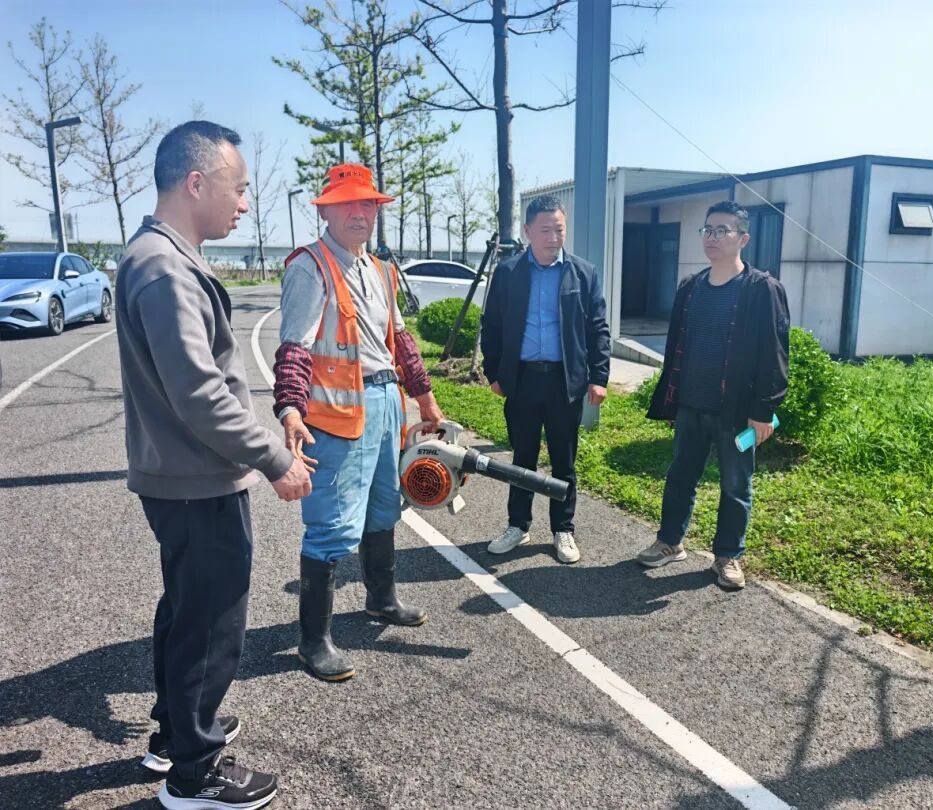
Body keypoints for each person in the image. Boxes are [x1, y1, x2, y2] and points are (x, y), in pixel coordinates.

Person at [116, 120, 309, 810]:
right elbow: (199, 393)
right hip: (195, 477)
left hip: (182, 473)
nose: (245, 203)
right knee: (210, 621)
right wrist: (275, 458)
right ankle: (194, 773)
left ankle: (177, 733)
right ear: (197, 183)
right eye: (240, 187)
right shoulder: (165, 268)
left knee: (187, 608)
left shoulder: (158, 256)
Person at [273, 163, 443, 682]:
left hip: (386, 403)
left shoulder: (381, 270)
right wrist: (290, 408)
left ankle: (381, 598)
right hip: (336, 414)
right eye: (346, 203)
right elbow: (295, 347)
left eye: (367, 203)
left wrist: (426, 399)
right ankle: (313, 640)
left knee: (384, 506)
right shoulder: (311, 267)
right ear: (326, 211)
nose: (358, 212)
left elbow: (401, 342)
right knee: (329, 524)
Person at [637, 200, 790, 590]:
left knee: (735, 486)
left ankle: (728, 556)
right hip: (691, 405)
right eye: (708, 229)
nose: (713, 237)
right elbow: (676, 348)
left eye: (723, 230)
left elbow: (775, 353)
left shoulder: (761, 289)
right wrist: (671, 400)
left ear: (743, 238)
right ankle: (670, 542)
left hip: (736, 413)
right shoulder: (691, 287)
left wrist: (764, 410)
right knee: (680, 476)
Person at [479, 195, 611, 564]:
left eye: (559, 230)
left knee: (564, 460)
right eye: (545, 231)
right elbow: (492, 325)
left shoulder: (583, 273)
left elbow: (598, 328)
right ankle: (518, 525)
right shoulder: (508, 273)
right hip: (521, 380)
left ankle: (563, 529)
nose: (553, 238)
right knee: (522, 458)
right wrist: (494, 372)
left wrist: (599, 376)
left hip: (563, 381)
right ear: (527, 231)